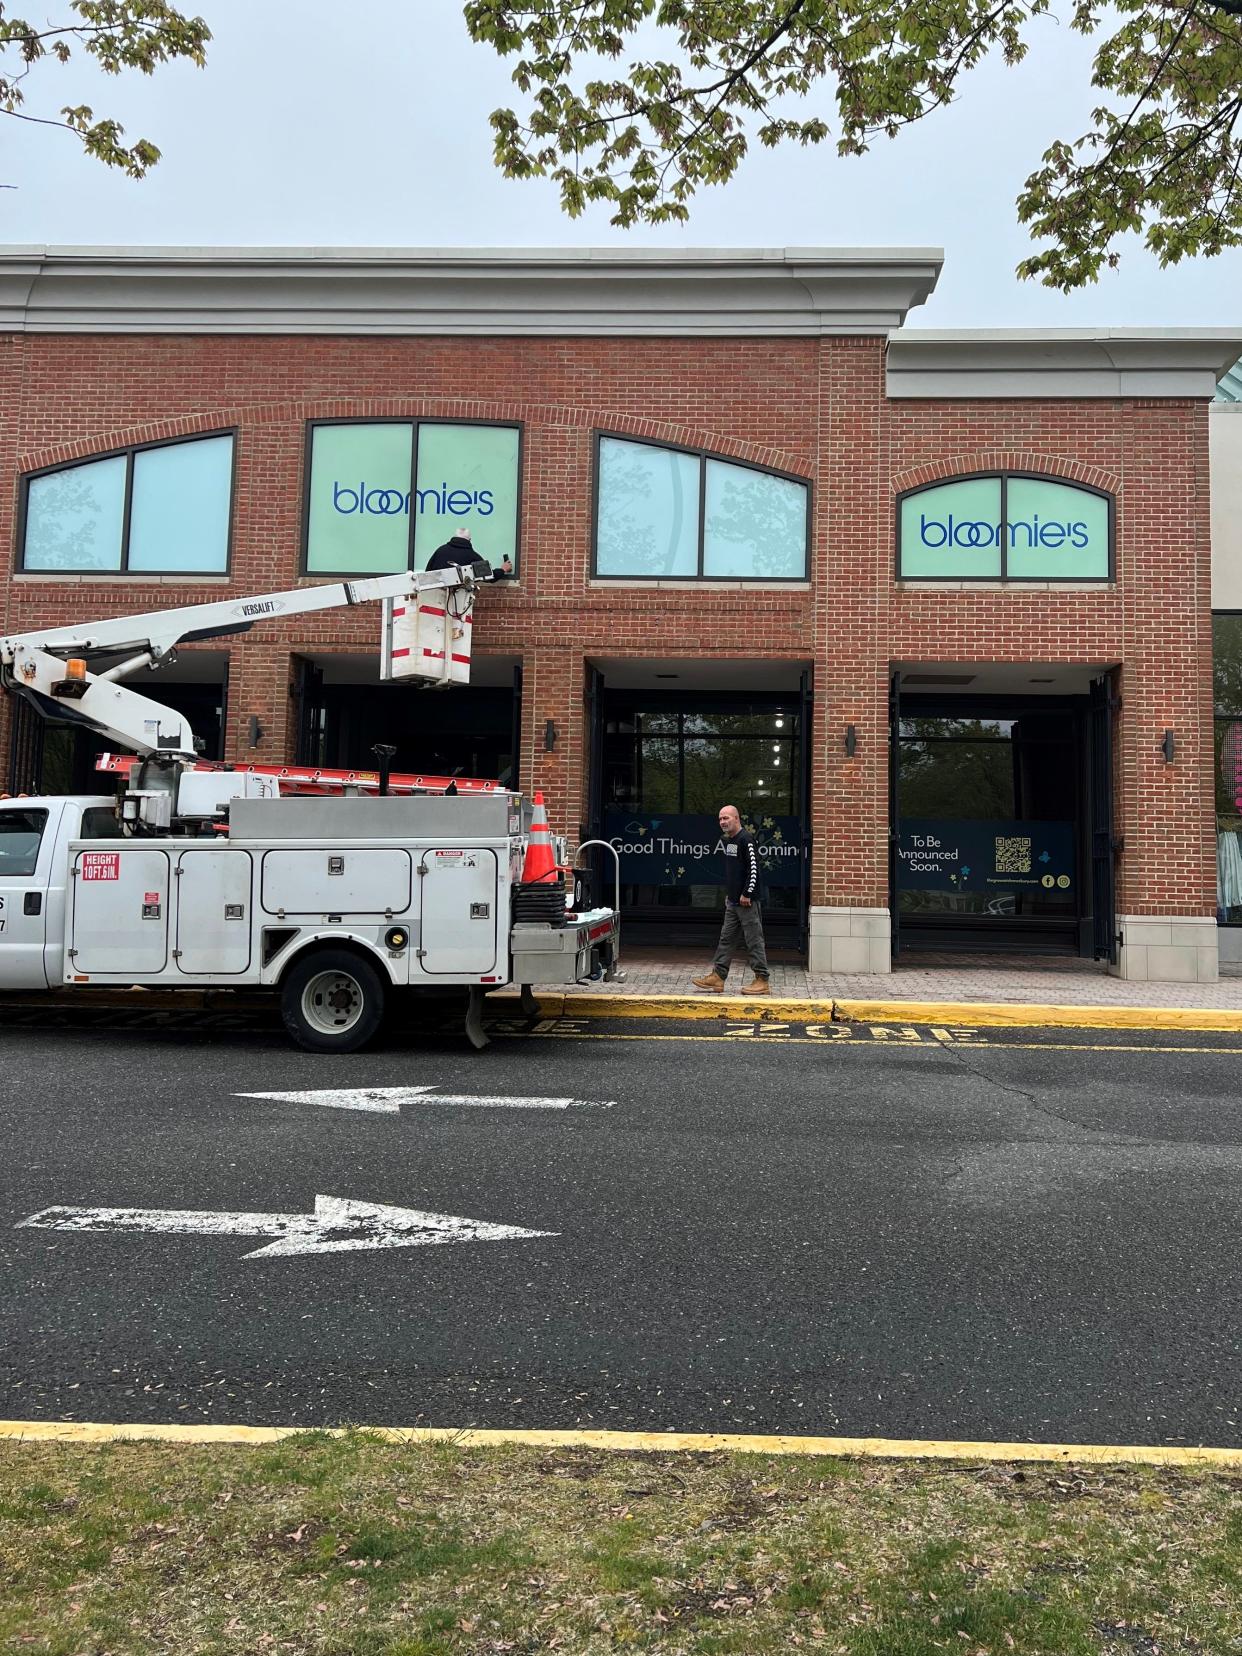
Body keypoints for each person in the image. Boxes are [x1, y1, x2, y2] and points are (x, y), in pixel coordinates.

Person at [692, 803, 771, 995]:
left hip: (747, 902)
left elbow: (754, 870)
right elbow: (735, 872)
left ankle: (762, 980)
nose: (722, 822)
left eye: (726, 818)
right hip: (733, 902)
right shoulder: (730, 841)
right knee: (726, 939)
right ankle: (718, 977)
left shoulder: (746, 839)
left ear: (737, 818)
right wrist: (732, 894)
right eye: (720, 819)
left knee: (754, 940)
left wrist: (747, 893)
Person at [425, 525, 512, 578]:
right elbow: (489, 576)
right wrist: (503, 569)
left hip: (435, 599)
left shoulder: (440, 551)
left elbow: (427, 573)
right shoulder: (472, 555)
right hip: (460, 601)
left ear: (454, 536)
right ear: (469, 540)